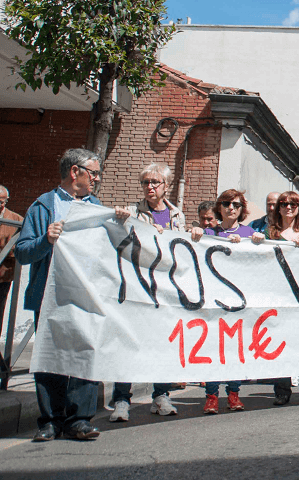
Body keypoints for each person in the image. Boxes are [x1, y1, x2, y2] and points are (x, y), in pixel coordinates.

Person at [16, 148, 124, 441]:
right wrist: (45, 240)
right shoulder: (43, 206)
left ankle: (79, 420)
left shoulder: (96, 207)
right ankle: (50, 421)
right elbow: (23, 252)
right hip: (49, 295)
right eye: (94, 173)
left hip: (85, 295)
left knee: (84, 354)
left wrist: (120, 222)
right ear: (75, 172)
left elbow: (109, 249)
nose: (97, 179)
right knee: (50, 356)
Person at [109, 164, 186, 421]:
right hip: (135, 286)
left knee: (161, 343)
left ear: (166, 185)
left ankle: (161, 394)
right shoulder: (132, 211)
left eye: (155, 182)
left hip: (163, 289)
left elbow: (181, 249)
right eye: (145, 183)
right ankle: (121, 399)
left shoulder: (176, 215)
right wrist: (118, 218)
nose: (150, 187)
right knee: (129, 342)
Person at [191, 189, 258, 413]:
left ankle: (234, 393)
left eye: (236, 205)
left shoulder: (250, 232)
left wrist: (255, 241)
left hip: (240, 302)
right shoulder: (209, 232)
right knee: (213, 349)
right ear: (219, 207)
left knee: (234, 349)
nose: (231, 208)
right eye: (227, 203)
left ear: (242, 210)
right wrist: (197, 234)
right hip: (214, 300)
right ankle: (211, 396)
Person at [251, 191, 299, 405]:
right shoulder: (269, 231)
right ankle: (282, 390)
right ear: (278, 208)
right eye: (283, 204)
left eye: (293, 204)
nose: (288, 207)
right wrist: (256, 241)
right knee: (280, 341)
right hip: (278, 294)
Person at [0, 185, 24, 377]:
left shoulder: (15, 220)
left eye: (3, 201)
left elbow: (21, 246)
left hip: (3, 276)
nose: (0, 204)